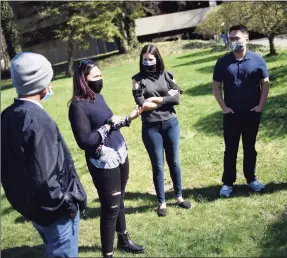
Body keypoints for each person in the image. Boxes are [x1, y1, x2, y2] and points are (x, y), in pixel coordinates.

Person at [1, 52, 87, 258]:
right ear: (43, 83)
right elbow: (46, 179)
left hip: (33, 208)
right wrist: (68, 204)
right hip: (55, 213)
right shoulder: (38, 122)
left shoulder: (8, 114)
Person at [68, 59, 145, 258]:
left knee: (119, 202)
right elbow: (85, 141)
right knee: (110, 207)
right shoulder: (77, 106)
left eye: (101, 75)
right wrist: (108, 127)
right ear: (83, 80)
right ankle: (107, 254)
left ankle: (124, 239)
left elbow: (109, 122)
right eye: (96, 77)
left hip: (119, 153)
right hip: (103, 162)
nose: (100, 80)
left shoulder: (97, 97)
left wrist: (128, 118)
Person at [132, 44, 191, 217]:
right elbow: (142, 104)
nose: (147, 62)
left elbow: (177, 99)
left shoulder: (168, 75)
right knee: (158, 165)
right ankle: (162, 202)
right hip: (151, 127)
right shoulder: (137, 80)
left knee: (174, 162)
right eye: (144, 59)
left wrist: (156, 99)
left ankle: (179, 197)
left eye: (150, 59)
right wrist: (166, 99)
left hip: (171, 124)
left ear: (157, 58)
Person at [212, 25, 270, 197]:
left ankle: (251, 179)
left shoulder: (257, 60)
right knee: (231, 149)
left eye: (237, 38)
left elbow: (265, 84)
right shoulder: (223, 62)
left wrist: (260, 106)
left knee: (250, 147)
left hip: (252, 112)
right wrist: (224, 107)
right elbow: (216, 87)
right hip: (231, 114)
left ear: (246, 39)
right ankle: (228, 183)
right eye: (231, 38)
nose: (233, 41)